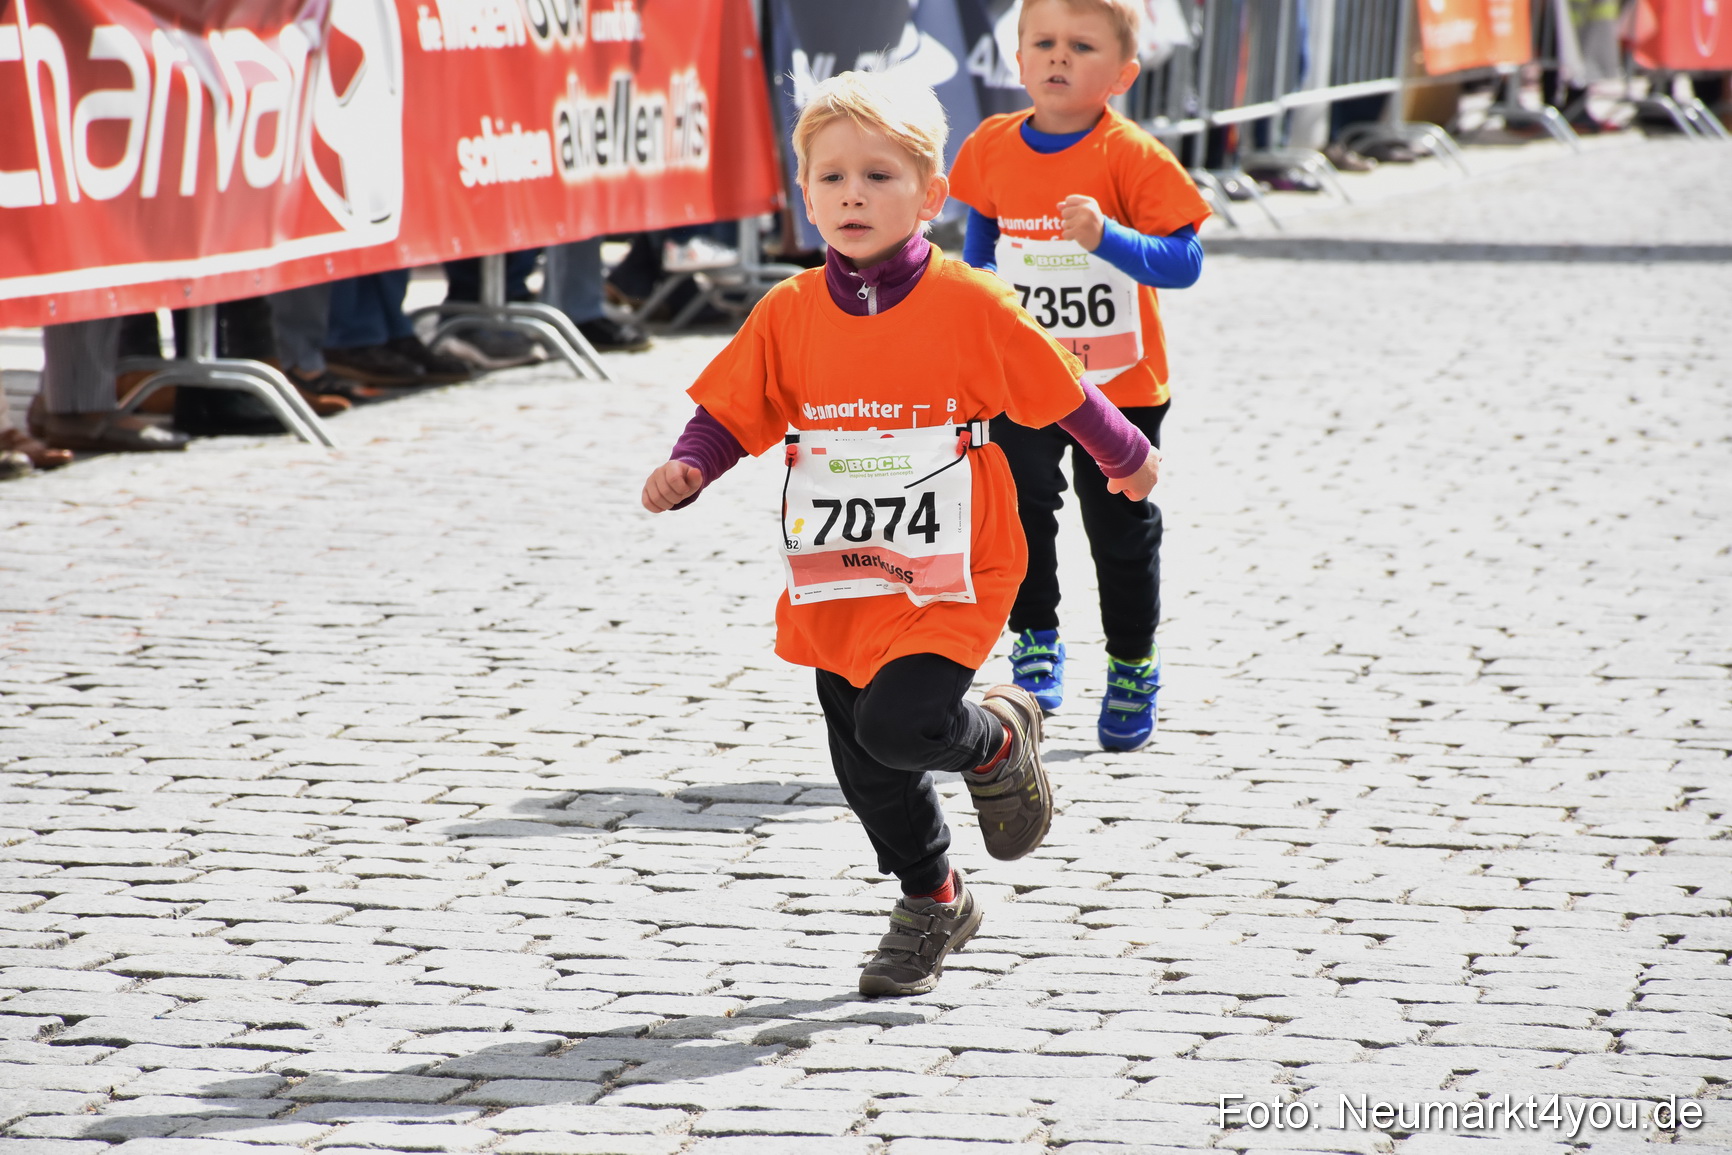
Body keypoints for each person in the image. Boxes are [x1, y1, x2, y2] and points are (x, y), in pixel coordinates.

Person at [640, 71, 1159, 997]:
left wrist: (1125, 456)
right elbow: (733, 409)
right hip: (841, 568)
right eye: (831, 177)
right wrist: (691, 465)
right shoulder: (788, 310)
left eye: (879, 176)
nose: (852, 195)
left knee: (902, 721)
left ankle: (995, 737)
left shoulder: (970, 301)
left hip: (956, 562)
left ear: (930, 194)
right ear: (803, 194)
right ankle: (934, 898)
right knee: (866, 762)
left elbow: (1061, 390)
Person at [948, 0, 1210, 752]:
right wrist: (983, 282)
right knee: (1022, 507)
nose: (1059, 58)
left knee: (1119, 526)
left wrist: (1108, 237)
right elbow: (980, 241)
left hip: (1120, 383)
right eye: (1044, 43)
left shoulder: (1131, 154)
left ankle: (1132, 662)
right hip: (1025, 376)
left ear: (1124, 73)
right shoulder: (993, 144)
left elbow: (1185, 261)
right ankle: (1035, 635)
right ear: (1019, 61)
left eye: (1082, 46)